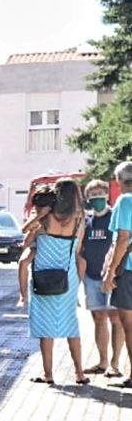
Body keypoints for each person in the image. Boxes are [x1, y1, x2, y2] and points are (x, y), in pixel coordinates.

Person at [23, 178, 87, 386]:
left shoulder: (45, 219)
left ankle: (48, 374)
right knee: (71, 324)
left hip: (43, 276)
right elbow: (77, 250)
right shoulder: (79, 218)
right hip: (67, 278)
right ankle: (79, 373)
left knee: (45, 327)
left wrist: (40, 215)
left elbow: (26, 233)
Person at [80, 179, 125, 376]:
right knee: (98, 318)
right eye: (92, 193)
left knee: (116, 318)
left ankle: (115, 364)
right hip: (91, 277)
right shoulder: (87, 221)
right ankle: (102, 362)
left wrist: (113, 270)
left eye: (100, 192)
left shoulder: (115, 217)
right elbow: (80, 247)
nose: (96, 197)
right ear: (87, 198)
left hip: (114, 276)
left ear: (107, 194)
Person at [103, 162, 132, 389]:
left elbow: (122, 239)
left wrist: (111, 271)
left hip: (129, 269)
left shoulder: (125, 201)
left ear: (121, 181)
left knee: (128, 323)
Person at [17, 185, 56, 308]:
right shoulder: (36, 214)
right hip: (36, 241)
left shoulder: (55, 214)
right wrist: (38, 216)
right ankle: (23, 295)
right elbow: (24, 229)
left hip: (49, 242)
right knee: (23, 262)